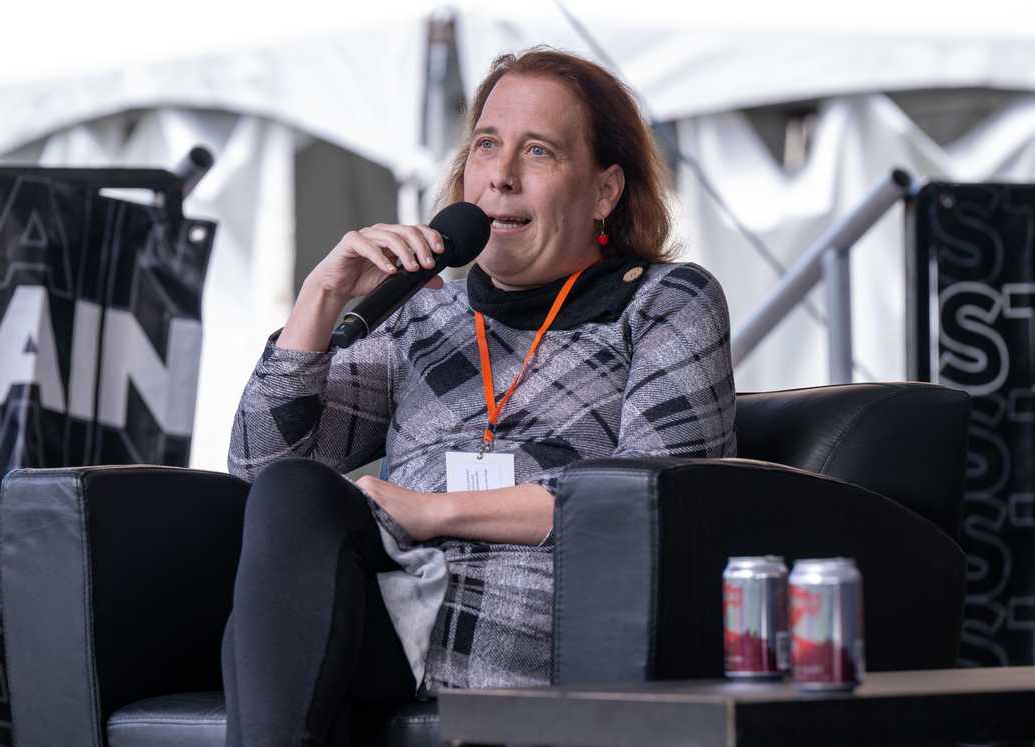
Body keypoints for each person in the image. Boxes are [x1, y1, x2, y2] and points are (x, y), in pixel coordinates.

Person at [222, 47, 737, 746]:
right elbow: (259, 472)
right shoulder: (423, 310)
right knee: (291, 496)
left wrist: (434, 510)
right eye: (487, 145)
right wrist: (321, 296)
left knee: (274, 657)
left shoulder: (664, 303)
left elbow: (652, 504)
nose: (501, 175)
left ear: (605, 191)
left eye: (539, 151)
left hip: (532, 612)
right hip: (390, 604)